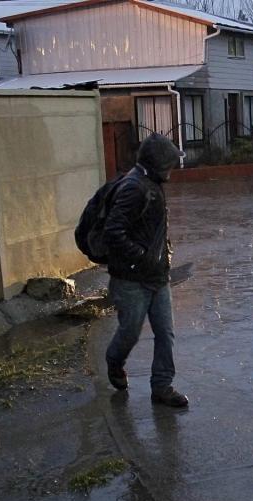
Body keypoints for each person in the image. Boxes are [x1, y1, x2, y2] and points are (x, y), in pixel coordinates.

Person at [102, 133, 188, 408]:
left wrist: (163, 254)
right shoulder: (133, 187)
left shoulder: (152, 182)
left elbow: (151, 228)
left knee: (165, 333)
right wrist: (141, 258)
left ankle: (162, 387)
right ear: (158, 163)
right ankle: (114, 361)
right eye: (170, 163)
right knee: (130, 332)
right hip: (131, 280)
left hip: (157, 276)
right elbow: (113, 231)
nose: (172, 169)